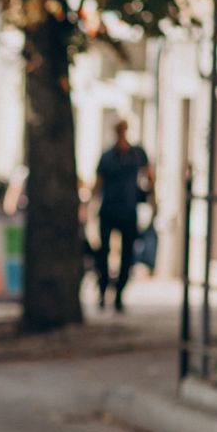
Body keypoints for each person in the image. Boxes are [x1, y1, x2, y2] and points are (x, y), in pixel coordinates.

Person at [90, 118, 154, 312]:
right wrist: (89, 208)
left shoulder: (137, 154)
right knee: (103, 253)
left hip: (128, 209)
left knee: (127, 254)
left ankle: (119, 293)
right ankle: (102, 291)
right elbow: (98, 183)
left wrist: (152, 198)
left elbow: (150, 175)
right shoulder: (107, 156)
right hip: (109, 209)